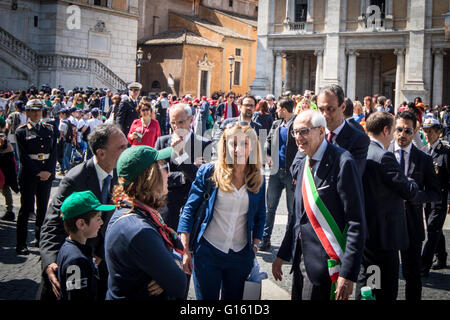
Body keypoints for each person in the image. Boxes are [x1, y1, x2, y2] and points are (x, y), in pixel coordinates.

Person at [273, 110, 366, 300]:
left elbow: (356, 221)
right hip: (301, 260)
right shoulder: (301, 161)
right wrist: (282, 254)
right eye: (296, 132)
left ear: (321, 131)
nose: (299, 137)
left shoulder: (343, 161)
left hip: (327, 264)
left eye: (304, 131)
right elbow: (298, 215)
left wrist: (347, 273)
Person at [39, 124, 128, 300]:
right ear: (101, 153)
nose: (127, 151)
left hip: (103, 264)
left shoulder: (122, 174)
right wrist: (50, 263)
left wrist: (102, 253)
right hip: (76, 264)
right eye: (121, 147)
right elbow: (52, 224)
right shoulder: (75, 180)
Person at [178, 124, 266, 300]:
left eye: (245, 143)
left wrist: (254, 248)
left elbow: (260, 216)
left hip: (240, 256)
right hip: (208, 252)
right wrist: (185, 250)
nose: (238, 149)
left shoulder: (257, 178)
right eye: (233, 143)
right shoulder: (209, 172)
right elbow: (189, 210)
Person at [105, 145, 187, 300]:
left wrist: (170, 269)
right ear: (150, 176)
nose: (168, 174)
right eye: (164, 167)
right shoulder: (139, 230)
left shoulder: (131, 210)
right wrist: (173, 268)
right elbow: (179, 284)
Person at [356, 111, 419, 300]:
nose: (393, 135)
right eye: (393, 130)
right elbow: (408, 190)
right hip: (384, 235)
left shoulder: (361, 152)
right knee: (384, 289)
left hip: (366, 230)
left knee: (368, 283)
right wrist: (411, 181)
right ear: (385, 130)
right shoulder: (384, 157)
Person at [388, 111, 441, 300]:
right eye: (399, 130)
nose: (402, 135)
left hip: (412, 224)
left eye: (408, 131)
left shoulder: (424, 159)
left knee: (413, 275)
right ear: (394, 129)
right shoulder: (382, 154)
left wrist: (416, 196)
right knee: (385, 276)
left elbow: (435, 192)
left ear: (415, 131)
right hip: (387, 225)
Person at [293, 85, 370, 178]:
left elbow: (351, 176)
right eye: (321, 109)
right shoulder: (312, 132)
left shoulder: (359, 139)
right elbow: (295, 169)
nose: (325, 115)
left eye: (330, 109)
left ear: (343, 107)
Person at [15, 99, 58, 255]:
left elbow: (54, 153)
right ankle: (21, 243)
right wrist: (38, 172)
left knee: (42, 209)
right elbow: (23, 157)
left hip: (46, 174)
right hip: (29, 174)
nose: (36, 113)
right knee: (26, 209)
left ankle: (40, 238)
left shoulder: (50, 129)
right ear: (27, 113)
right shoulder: (21, 131)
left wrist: (49, 172)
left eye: (38, 110)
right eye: (32, 111)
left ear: (42, 112)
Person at [57, 191, 114, 301]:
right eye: (98, 218)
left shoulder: (71, 249)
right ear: (81, 224)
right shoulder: (76, 261)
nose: (101, 222)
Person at [260, 98, 297, 251]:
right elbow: (267, 142)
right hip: (275, 172)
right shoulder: (276, 125)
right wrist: (268, 156)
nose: (276, 110)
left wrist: (298, 172)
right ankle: (265, 239)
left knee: (291, 211)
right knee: (270, 208)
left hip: (291, 174)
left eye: (279, 108)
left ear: (285, 110)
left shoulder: (298, 125)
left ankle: (288, 244)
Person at [421, 118, 449, 275]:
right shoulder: (425, 151)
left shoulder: (445, 152)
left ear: (439, 132)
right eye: (425, 131)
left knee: (432, 229)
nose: (428, 134)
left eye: (431, 131)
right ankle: (442, 257)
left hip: (440, 198)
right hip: (427, 198)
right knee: (435, 228)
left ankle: (424, 264)